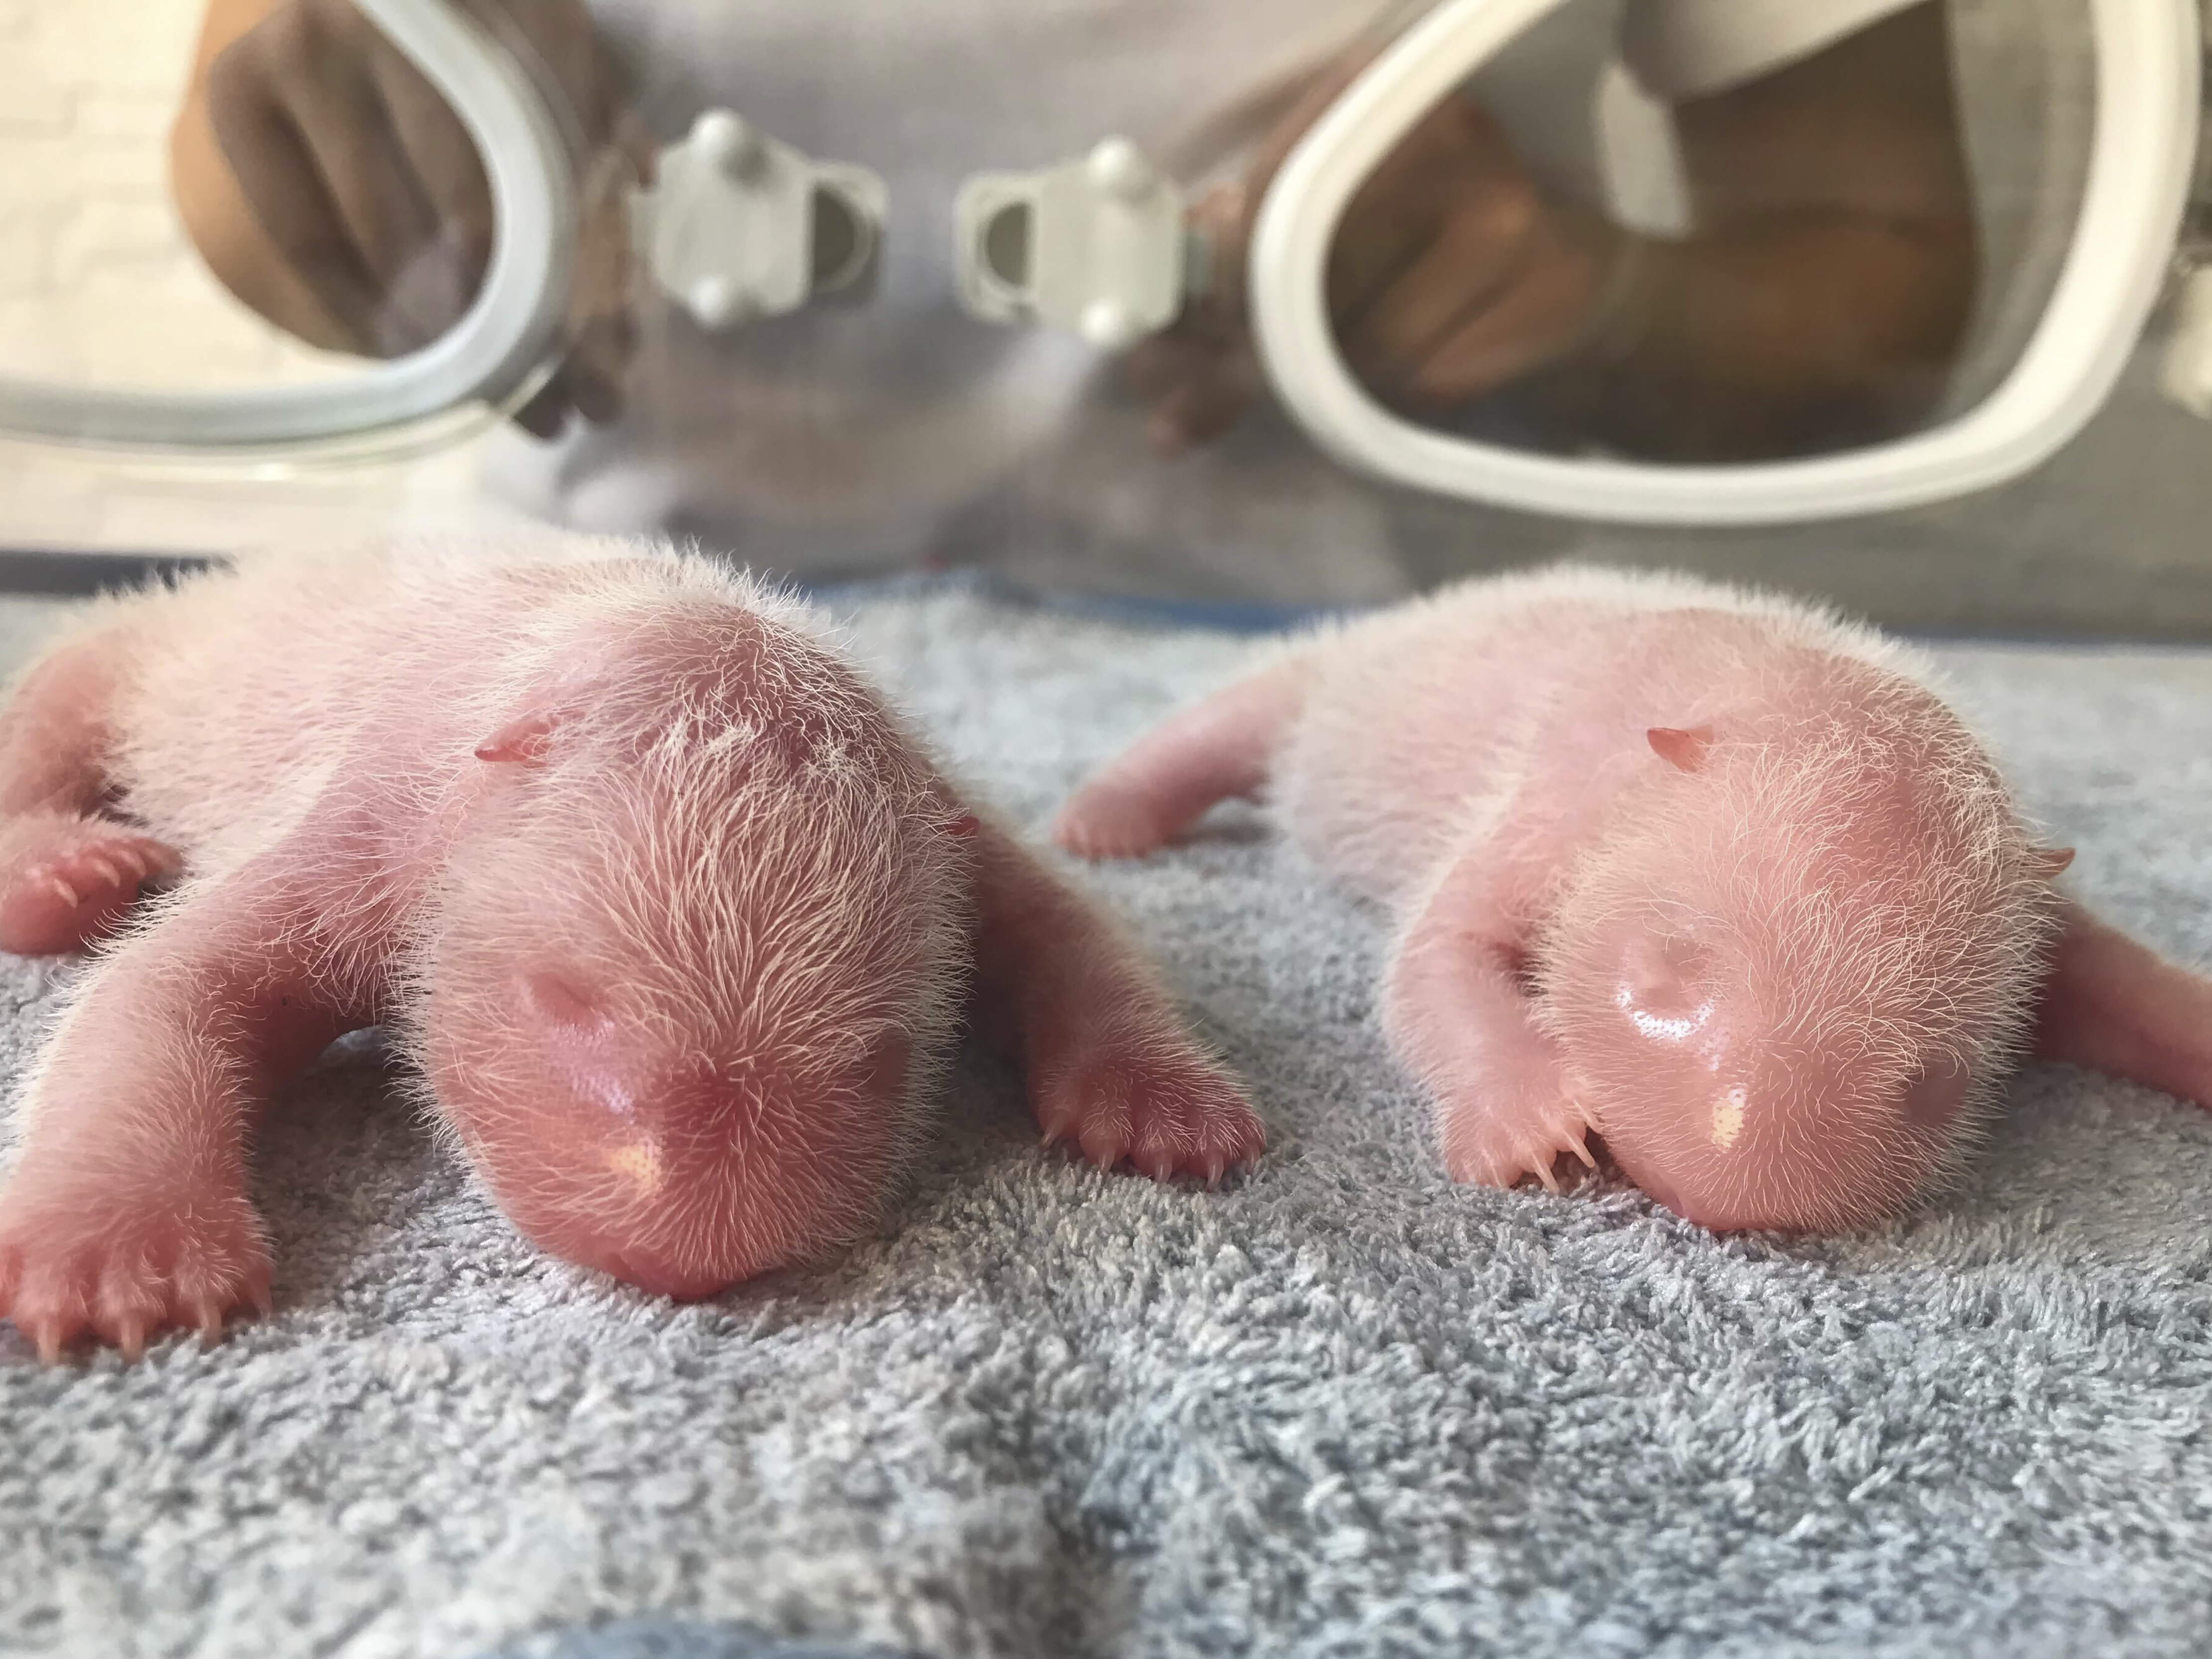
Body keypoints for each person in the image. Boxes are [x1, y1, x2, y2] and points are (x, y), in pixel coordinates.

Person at [167, 0, 1985, 599]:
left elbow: (1886, 286)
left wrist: (1588, 295)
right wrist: (346, 114)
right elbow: (257, 193)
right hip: (547, 641)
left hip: (1325, 682)